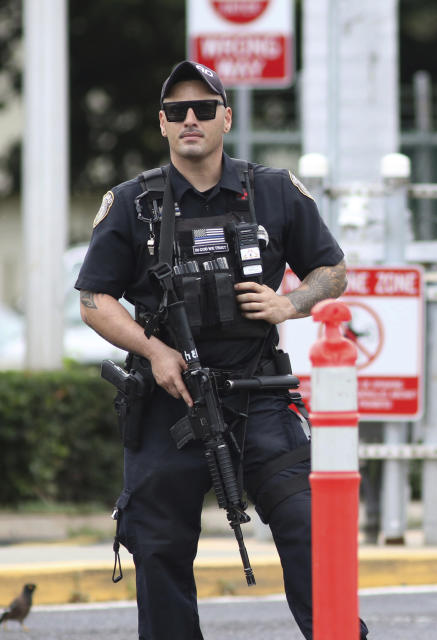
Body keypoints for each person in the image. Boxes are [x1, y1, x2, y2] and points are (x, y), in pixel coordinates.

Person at [75, 61, 368, 640]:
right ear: (162, 124)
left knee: (309, 527)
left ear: (226, 118)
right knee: (158, 547)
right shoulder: (133, 203)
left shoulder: (275, 191)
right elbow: (93, 298)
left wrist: (291, 303)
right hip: (169, 399)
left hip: (259, 393)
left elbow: (332, 271)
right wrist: (153, 350)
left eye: (204, 109)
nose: (191, 119)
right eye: (177, 111)